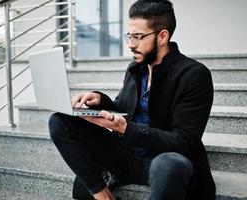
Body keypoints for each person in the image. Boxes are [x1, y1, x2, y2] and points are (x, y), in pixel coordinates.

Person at [49, 0, 216, 199]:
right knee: (60, 121)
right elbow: (124, 109)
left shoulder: (193, 74)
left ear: (162, 36)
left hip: (163, 160)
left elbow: (184, 142)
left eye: (138, 37)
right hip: (129, 155)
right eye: (129, 36)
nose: (131, 44)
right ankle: (102, 195)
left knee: (167, 166)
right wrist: (100, 101)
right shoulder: (136, 68)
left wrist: (125, 129)